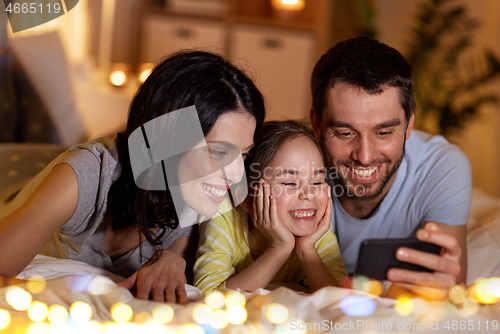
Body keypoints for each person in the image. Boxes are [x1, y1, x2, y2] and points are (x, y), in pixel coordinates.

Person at [0, 51, 265, 303]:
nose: (235, 176)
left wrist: (171, 259)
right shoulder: (83, 177)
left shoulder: (197, 194)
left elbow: (177, 249)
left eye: (242, 155)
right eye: (219, 152)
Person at [309, 37, 472, 297]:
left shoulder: (442, 167)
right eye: (344, 133)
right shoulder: (291, 161)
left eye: (383, 133)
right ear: (316, 123)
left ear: (409, 124)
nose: (364, 156)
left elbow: (446, 287)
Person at [194, 121, 349, 295]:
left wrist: (307, 250)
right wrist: (280, 247)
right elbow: (207, 297)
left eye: (317, 182)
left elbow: (340, 299)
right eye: (290, 183)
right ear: (245, 197)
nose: (309, 194)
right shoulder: (222, 212)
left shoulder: (315, 223)